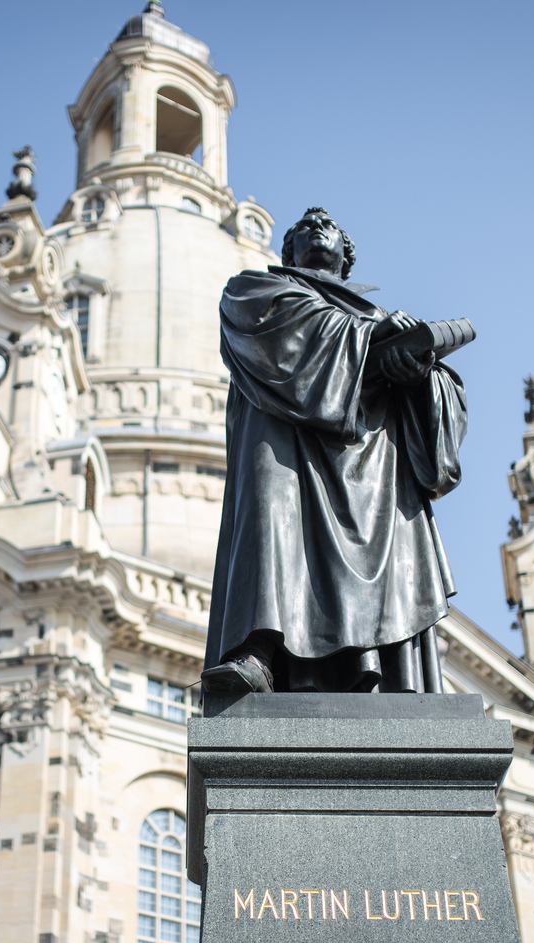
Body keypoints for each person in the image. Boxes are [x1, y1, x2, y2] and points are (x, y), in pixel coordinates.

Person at [202, 207, 469, 695]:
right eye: (303, 227)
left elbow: (441, 425)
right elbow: (273, 334)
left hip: (373, 462)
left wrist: (419, 371)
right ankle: (259, 650)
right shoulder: (256, 289)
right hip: (286, 439)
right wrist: (371, 340)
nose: (315, 224)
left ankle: (382, 673)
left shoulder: (378, 318)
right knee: (272, 515)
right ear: (290, 252)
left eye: (325, 225)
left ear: (346, 257)